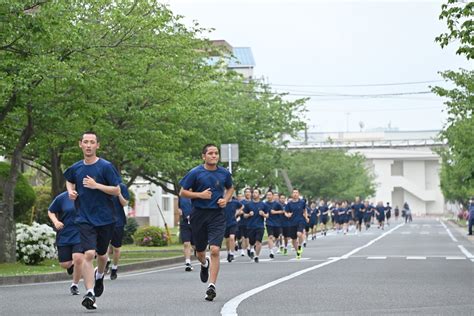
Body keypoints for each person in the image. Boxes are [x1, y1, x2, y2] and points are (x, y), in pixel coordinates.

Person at [64, 131, 121, 310]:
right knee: (88, 254)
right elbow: (69, 179)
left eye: (92, 142)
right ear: (80, 144)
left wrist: (97, 186)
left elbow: (116, 190)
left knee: (102, 255)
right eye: (85, 142)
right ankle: (90, 293)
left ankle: (100, 276)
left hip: (105, 219)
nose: (88, 145)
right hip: (84, 218)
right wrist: (70, 191)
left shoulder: (106, 167)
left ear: (97, 145)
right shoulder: (76, 167)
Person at [179, 144, 234, 302]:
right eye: (210, 153)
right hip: (199, 215)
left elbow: (230, 188)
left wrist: (226, 199)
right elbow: (182, 192)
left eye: (216, 153)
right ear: (204, 156)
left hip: (217, 215)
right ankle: (204, 264)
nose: (214, 156)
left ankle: (211, 285)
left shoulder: (224, 173)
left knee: (215, 250)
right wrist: (200, 195)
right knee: (200, 252)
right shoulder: (195, 172)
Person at [48, 191, 84, 295]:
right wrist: (56, 222)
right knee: (65, 264)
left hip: (80, 233)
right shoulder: (62, 198)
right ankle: (71, 266)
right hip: (65, 233)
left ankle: (74, 285)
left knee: (78, 258)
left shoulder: (86, 195)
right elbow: (51, 211)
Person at [105, 182, 130, 280]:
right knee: (103, 244)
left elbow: (125, 203)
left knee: (116, 248)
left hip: (118, 221)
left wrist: (118, 193)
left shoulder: (122, 186)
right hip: (104, 220)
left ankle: (114, 267)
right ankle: (106, 260)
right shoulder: (101, 185)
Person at [243, 189, 269, 263]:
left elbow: (267, 215)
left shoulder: (263, 205)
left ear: (259, 195)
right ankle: (251, 248)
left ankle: (257, 256)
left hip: (260, 226)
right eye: (253, 192)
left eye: (256, 192)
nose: (254, 194)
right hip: (250, 226)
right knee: (251, 241)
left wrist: (263, 214)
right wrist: (248, 214)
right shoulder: (248, 204)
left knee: (258, 241)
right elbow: (244, 215)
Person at [284, 188, 308, 259]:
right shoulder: (289, 204)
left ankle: (300, 245)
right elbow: (286, 212)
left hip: (300, 221)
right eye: (294, 193)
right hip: (292, 222)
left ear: (298, 194)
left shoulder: (302, 202)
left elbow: (304, 210)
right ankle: (298, 252)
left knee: (299, 234)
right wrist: (287, 215)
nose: (295, 194)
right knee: (293, 239)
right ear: (292, 194)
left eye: (296, 193)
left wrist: (306, 217)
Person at [264, 191, 284, 259]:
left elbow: (283, 211)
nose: (268, 196)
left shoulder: (277, 204)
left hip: (277, 223)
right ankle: (271, 252)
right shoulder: (265, 204)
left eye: (269, 195)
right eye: (267, 195)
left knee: (277, 237)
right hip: (269, 223)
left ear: (272, 196)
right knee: (270, 237)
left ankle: (278, 244)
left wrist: (275, 212)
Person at [223, 195, 242, 262]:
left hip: (233, 223)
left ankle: (232, 253)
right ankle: (228, 252)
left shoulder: (235, 202)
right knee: (227, 240)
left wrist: (238, 212)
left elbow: (242, 206)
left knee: (232, 237)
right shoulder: (223, 202)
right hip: (225, 223)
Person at [178, 196, 194, 271]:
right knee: (186, 243)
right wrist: (180, 211)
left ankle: (203, 261)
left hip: (196, 223)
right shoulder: (181, 197)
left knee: (196, 246)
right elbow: (179, 207)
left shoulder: (198, 194)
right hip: (185, 223)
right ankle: (188, 263)